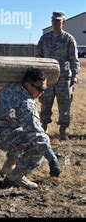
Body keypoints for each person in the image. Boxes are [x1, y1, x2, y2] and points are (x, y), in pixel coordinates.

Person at [0, 69, 60, 190]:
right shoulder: (26, 104)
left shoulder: (12, 86)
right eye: (40, 89)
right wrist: (52, 159)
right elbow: (36, 134)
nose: (42, 93)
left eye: (44, 89)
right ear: (28, 85)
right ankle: (15, 177)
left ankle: (7, 168)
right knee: (37, 145)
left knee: (22, 134)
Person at [37, 11, 80, 140]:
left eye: (58, 21)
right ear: (51, 22)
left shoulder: (68, 39)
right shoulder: (44, 39)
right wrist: (38, 75)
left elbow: (74, 59)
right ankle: (44, 127)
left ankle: (62, 130)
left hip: (64, 78)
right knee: (45, 103)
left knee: (64, 105)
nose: (56, 23)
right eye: (54, 21)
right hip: (47, 78)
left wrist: (75, 75)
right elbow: (39, 57)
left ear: (63, 22)